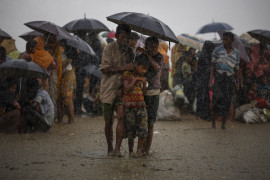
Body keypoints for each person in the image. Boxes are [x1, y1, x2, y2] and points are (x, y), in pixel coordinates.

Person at [100, 24, 135, 156]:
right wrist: (124, 68)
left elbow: (132, 70)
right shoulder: (108, 48)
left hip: (122, 90)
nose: (125, 39)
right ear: (116, 36)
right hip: (108, 89)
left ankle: (117, 149)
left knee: (121, 117)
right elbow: (105, 69)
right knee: (108, 121)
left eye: (127, 37)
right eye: (122, 36)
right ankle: (110, 147)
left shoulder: (130, 51)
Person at [209, 32, 240, 129]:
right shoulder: (217, 50)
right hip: (219, 77)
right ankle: (213, 123)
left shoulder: (236, 53)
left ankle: (223, 124)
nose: (224, 41)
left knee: (227, 101)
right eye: (223, 39)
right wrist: (210, 81)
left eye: (226, 39)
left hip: (230, 79)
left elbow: (237, 69)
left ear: (232, 41)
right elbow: (213, 67)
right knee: (216, 100)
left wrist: (238, 83)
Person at [138, 36, 163, 155]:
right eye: (150, 46)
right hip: (141, 92)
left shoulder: (159, 57)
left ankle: (146, 150)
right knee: (141, 121)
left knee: (151, 123)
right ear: (146, 46)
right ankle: (140, 148)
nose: (153, 49)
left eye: (155, 47)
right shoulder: (140, 56)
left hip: (153, 92)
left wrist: (147, 55)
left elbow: (157, 67)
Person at [123, 54, 149, 156]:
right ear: (136, 65)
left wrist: (143, 84)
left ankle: (139, 150)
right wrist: (135, 80)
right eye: (142, 68)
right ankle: (130, 151)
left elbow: (144, 92)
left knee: (143, 128)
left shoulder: (143, 77)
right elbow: (126, 89)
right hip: (130, 107)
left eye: (146, 69)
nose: (144, 71)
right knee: (131, 130)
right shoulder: (127, 74)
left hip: (141, 106)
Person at [57, 42, 76, 124]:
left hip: (68, 77)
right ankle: (61, 120)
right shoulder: (60, 55)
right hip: (64, 77)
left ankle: (71, 120)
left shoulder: (65, 56)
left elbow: (63, 66)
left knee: (67, 98)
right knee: (60, 99)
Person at [196, 41, 215, 120]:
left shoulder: (205, 55)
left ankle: (202, 114)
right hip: (204, 79)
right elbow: (202, 68)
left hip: (203, 79)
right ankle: (203, 114)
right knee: (204, 96)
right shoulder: (204, 56)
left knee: (203, 96)